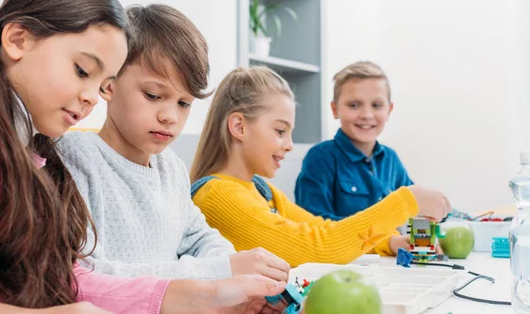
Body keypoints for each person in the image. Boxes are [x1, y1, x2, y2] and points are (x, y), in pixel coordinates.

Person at [0, 0, 284, 314]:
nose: (92, 96)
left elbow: (65, 279)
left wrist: (200, 295)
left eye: (100, 82)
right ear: (18, 39)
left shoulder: (28, 149)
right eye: (82, 71)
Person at [57, 4, 289, 281]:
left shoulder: (171, 168)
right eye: (153, 95)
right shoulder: (73, 159)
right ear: (109, 84)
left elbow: (200, 238)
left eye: (183, 103)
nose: (170, 117)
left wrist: (234, 264)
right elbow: (87, 273)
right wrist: (219, 269)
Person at [190, 66, 451, 267]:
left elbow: (322, 227)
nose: (290, 145)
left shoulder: (261, 190)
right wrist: (407, 201)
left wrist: (388, 242)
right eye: (280, 130)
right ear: (239, 127)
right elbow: (318, 248)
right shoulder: (218, 197)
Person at [295, 61, 414, 220]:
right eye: (354, 105)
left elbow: (416, 208)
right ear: (335, 109)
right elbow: (314, 223)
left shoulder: (391, 160)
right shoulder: (320, 158)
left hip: (393, 245)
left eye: (376, 105)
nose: (366, 114)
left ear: (389, 110)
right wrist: (383, 237)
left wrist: (429, 241)